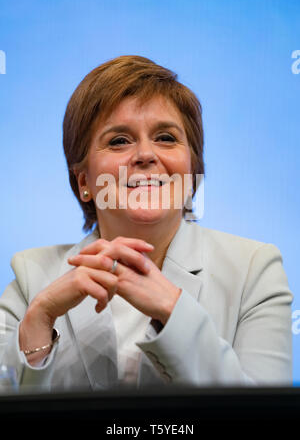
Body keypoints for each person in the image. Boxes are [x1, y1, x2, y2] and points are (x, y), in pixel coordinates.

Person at [0, 55, 293, 392]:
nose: (145, 154)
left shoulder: (254, 271)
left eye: (166, 138)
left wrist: (174, 311)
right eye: (119, 140)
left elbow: (265, 414)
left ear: (192, 170)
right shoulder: (31, 277)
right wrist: (37, 321)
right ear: (83, 180)